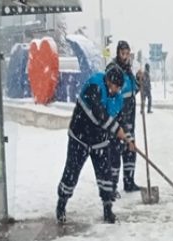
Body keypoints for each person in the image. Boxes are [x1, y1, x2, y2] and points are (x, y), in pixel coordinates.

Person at [55, 66, 135, 224]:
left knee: (105, 174)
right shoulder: (94, 85)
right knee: (72, 172)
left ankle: (107, 208)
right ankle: (62, 203)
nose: (116, 90)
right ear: (108, 80)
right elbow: (99, 114)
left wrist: (127, 137)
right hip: (80, 137)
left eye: (119, 88)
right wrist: (117, 129)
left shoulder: (117, 97)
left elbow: (120, 119)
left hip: (100, 140)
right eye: (115, 86)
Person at [106, 41, 141, 195]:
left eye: (127, 53)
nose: (125, 57)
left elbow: (134, 91)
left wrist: (140, 80)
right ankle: (112, 187)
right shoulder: (113, 69)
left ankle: (129, 182)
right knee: (115, 152)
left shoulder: (128, 71)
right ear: (118, 53)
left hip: (130, 116)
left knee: (130, 150)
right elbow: (110, 92)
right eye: (123, 53)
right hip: (118, 116)